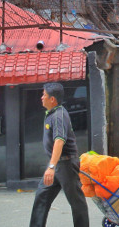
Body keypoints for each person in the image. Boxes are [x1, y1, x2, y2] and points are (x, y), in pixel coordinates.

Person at [29, 82, 89, 227]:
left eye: (44, 95)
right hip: (57, 165)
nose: (41, 97)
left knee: (76, 202)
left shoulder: (59, 116)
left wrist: (51, 166)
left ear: (52, 100)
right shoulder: (52, 114)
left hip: (66, 165)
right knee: (41, 197)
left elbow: (59, 142)